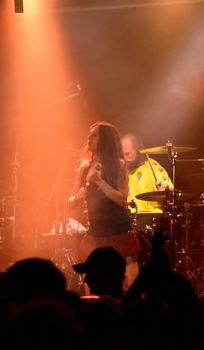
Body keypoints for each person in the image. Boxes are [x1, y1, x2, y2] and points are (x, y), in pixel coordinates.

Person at [69, 121, 140, 286]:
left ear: (105, 140)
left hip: (118, 231)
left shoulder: (118, 166)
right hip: (95, 233)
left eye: (94, 135)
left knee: (128, 283)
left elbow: (123, 200)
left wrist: (99, 182)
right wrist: (77, 198)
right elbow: (70, 203)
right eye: (89, 134)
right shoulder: (84, 168)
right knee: (93, 284)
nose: (89, 138)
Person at [121, 132, 174, 229]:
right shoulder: (122, 170)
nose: (125, 158)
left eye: (128, 154)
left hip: (149, 216)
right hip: (127, 216)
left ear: (139, 149)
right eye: (122, 155)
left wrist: (164, 191)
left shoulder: (154, 167)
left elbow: (171, 194)